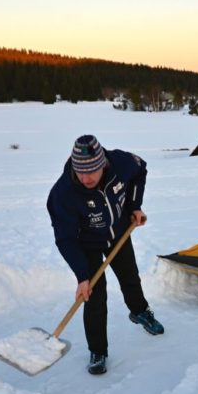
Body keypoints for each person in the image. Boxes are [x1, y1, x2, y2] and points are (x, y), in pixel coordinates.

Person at [47, 135, 164, 375]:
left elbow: (140, 169)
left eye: (91, 171)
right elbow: (66, 239)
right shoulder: (63, 194)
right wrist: (82, 276)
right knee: (94, 296)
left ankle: (139, 311)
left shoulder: (120, 163)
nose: (86, 178)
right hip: (85, 244)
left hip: (118, 232)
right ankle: (98, 351)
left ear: (103, 165)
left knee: (130, 276)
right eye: (81, 172)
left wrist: (134, 205)